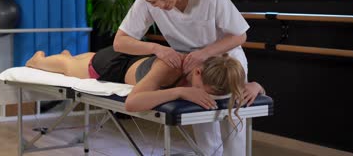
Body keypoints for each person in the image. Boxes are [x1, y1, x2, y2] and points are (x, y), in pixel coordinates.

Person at [113, 0, 251, 155]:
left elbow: (239, 36)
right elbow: (120, 42)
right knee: (203, 126)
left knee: (233, 124)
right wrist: (157, 48)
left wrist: (204, 53)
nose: (160, 5)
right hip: (193, 66)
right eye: (153, 3)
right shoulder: (148, 0)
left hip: (225, 61)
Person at [25, 46, 265, 121]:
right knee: (70, 68)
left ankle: (68, 55)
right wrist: (181, 91)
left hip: (136, 64)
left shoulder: (223, 71)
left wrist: (254, 86)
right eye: (204, 90)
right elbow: (132, 102)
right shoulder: (169, 68)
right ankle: (40, 60)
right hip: (112, 66)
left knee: (79, 59)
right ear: (198, 72)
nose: (205, 96)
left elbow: (249, 86)